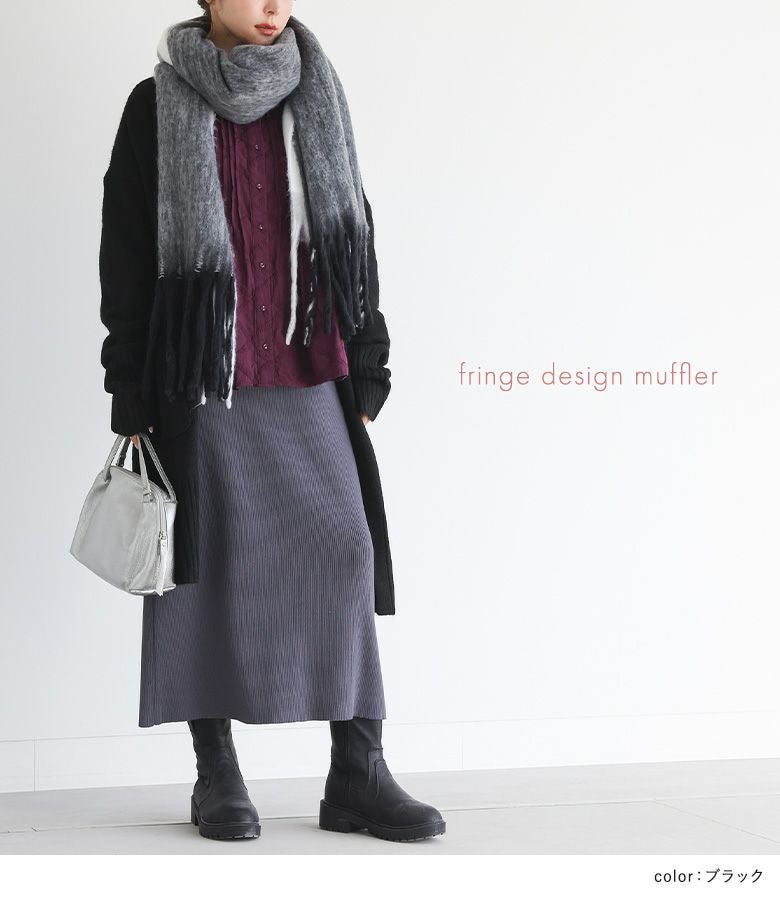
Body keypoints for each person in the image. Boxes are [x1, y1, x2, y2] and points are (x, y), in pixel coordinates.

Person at [98, 0, 446, 843]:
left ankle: (357, 772)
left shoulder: (314, 89)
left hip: (304, 363)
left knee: (345, 548)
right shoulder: (156, 105)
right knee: (207, 564)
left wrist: (369, 356)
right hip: (202, 377)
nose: (273, 6)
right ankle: (216, 772)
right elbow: (127, 251)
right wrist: (131, 385)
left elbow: (353, 229)